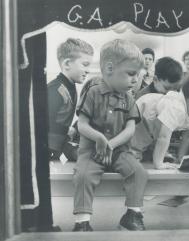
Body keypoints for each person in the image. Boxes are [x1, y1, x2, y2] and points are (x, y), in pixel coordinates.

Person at [72, 39, 148, 232]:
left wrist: (111, 144)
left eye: (137, 75)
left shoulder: (129, 98)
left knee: (138, 172)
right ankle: (82, 222)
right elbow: (82, 125)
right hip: (92, 152)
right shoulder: (93, 92)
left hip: (119, 151)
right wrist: (98, 138)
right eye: (131, 74)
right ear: (109, 68)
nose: (135, 80)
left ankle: (132, 214)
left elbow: (130, 129)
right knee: (83, 176)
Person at [44, 38, 94, 231]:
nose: (88, 70)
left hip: (59, 145)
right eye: (85, 64)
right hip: (48, 149)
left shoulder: (70, 85)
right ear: (66, 64)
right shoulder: (55, 89)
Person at [130, 70, 189, 169]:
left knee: (151, 144)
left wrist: (181, 159)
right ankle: (134, 156)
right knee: (135, 149)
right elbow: (163, 136)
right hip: (141, 116)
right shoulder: (176, 107)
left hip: (154, 125)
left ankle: (151, 155)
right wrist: (159, 164)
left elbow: (188, 135)